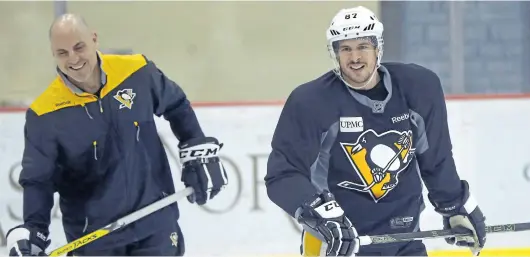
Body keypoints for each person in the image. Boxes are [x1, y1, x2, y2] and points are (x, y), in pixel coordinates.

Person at [265, 6, 487, 257]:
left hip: (406, 240)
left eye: (362, 47)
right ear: (335, 54)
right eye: (345, 49)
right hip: (339, 245)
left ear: (378, 48)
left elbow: (435, 159)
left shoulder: (418, 88)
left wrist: (454, 204)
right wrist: (319, 214)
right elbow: (282, 175)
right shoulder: (312, 102)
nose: (354, 57)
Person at [6, 13, 228, 256]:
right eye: (63, 53)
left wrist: (196, 147)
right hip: (94, 241)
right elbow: (39, 180)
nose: (73, 59)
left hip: (156, 225)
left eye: (79, 47)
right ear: (53, 55)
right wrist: (34, 230)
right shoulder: (44, 114)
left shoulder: (136, 72)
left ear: (94, 39)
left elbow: (176, 104)